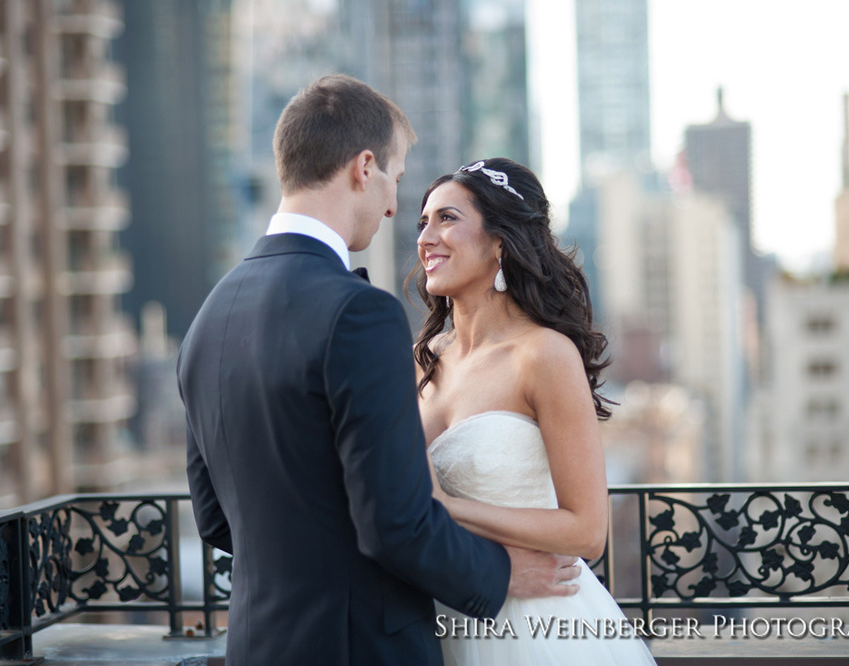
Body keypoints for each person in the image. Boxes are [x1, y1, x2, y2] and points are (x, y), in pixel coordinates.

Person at [177, 77, 582, 666]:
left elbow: (216, 519)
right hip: (361, 647)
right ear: (364, 168)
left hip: (258, 646)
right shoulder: (357, 312)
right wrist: (499, 573)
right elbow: (396, 523)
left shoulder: (206, 321)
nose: (395, 206)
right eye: (394, 178)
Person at [412, 157, 658, 665]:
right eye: (423, 221)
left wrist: (444, 508)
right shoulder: (425, 361)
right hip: (445, 619)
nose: (426, 237)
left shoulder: (543, 355)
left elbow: (587, 531)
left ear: (499, 243)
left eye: (447, 218)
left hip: (539, 627)